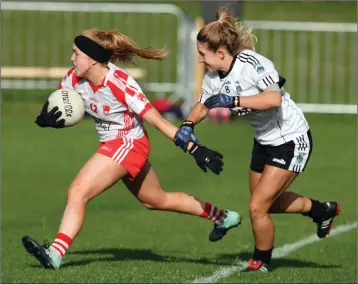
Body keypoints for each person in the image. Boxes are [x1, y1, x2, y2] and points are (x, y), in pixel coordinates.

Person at [21, 29, 243, 269]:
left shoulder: (120, 83)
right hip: (113, 145)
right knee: (157, 200)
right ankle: (223, 217)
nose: (71, 58)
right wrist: (46, 120)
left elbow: (158, 121)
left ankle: (54, 253)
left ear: (93, 58)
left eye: (76, 53)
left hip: (128, 144)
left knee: (78, 191)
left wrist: (195, 148)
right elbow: (67, 109)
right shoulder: (72, 80)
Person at [173, 8, 340, 272]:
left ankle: (261, 260)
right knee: (266, 203)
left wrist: (235, 100)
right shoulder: (213, 78)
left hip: (291, 138)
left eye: (202, 53)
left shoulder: (252, 64)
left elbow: (273, 99)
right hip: (263, 140)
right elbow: (203, 105)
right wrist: (187, 125)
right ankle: (321, 210)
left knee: (256, 206)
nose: (199, 59)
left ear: (220, 52)